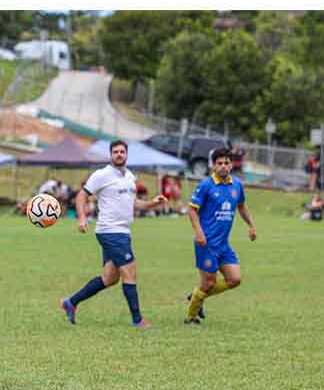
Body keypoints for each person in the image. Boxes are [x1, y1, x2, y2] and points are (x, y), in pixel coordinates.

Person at [60, 140, 168, 328]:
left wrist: (152, 203)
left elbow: (134, 203)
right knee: (130, 271)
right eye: (115, 152)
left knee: (110, 278)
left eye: (122, 151)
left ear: (127, 154)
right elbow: (82, 196)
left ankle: (71, 302)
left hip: (123, 232)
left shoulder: (130, 177)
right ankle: (137, 320)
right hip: (110, 231)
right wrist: (82, 218)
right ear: (111, 155)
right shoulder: (102, 175)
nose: (119, 154)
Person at [185, 148, 257, 324]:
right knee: (208, 283)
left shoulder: (237, 185)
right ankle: (190, 317)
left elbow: (241, 206)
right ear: (213, 165)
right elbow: (192, 210)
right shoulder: (206, 185)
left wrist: (251, 225)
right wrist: (199, 232)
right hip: (206, 243)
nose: (223, 166)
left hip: (223, 244)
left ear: (231, 165)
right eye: (219, 163)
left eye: (226, 163)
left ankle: (197, 295)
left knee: (234, 279)